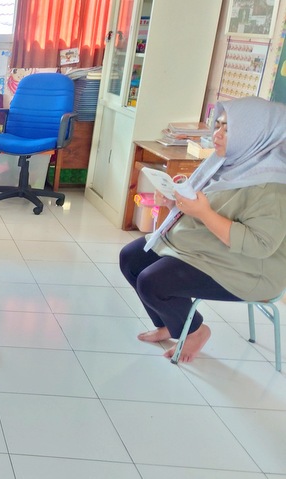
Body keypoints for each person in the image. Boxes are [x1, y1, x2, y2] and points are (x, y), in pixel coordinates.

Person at [119, 96, 286, 363]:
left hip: (249, 269)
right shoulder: (230, 163)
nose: (216, 134)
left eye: (228, 129)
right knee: (131, 258)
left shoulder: (272, 187)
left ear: (255, 135)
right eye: (217, 125)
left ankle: (195, 332)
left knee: (152, 282)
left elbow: (260, 246)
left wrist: (203, 213)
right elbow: (209, 207)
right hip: (208, 246)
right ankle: (171, 324)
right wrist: (175, 202)